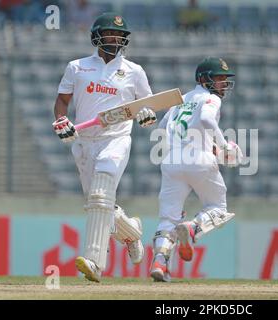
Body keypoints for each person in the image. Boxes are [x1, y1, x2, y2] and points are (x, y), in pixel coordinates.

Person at [52, 12, 157, 282]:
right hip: (84, 142)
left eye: (119, 35)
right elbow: (62, 100)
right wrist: (61, 120)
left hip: (116, 139)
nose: (115, 38)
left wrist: (147, 115)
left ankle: (95, 263)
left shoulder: (134, 71)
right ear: (96, 36)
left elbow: (147, 106)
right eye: (110, 33)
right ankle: (131, 231)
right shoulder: (77, 67)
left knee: (100, 196)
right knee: (98, 204)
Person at [149, 57, 243, 282]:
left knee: (168, 218)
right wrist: (223, 146)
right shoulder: (210, 98)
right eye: (218, 78)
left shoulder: (179, 99)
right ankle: (192, 228)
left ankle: (160, 263)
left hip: (172, 162)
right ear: (203, 79)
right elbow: (206, 119)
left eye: (224, 79)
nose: (222, 83)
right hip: (199, 160)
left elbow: (162, 127)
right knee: (218, 207)